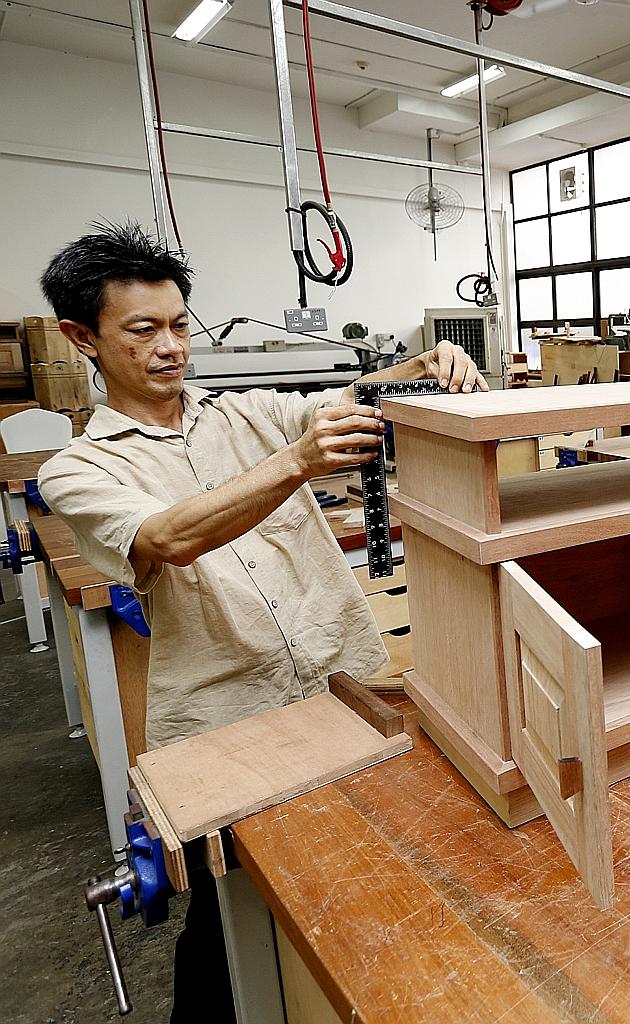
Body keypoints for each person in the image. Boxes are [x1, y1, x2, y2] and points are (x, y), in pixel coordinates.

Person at [35, 221, 487, 1021]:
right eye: (142, 331)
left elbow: (349, 399)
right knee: (235, 918)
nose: (170, 347)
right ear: (83, 338)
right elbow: (168, 537)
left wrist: (423, 366)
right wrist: (298, 462)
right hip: (225, 721)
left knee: (360, 887)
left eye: (180, 325)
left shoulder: (248, 413)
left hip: (339, 691)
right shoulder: (80, 467)